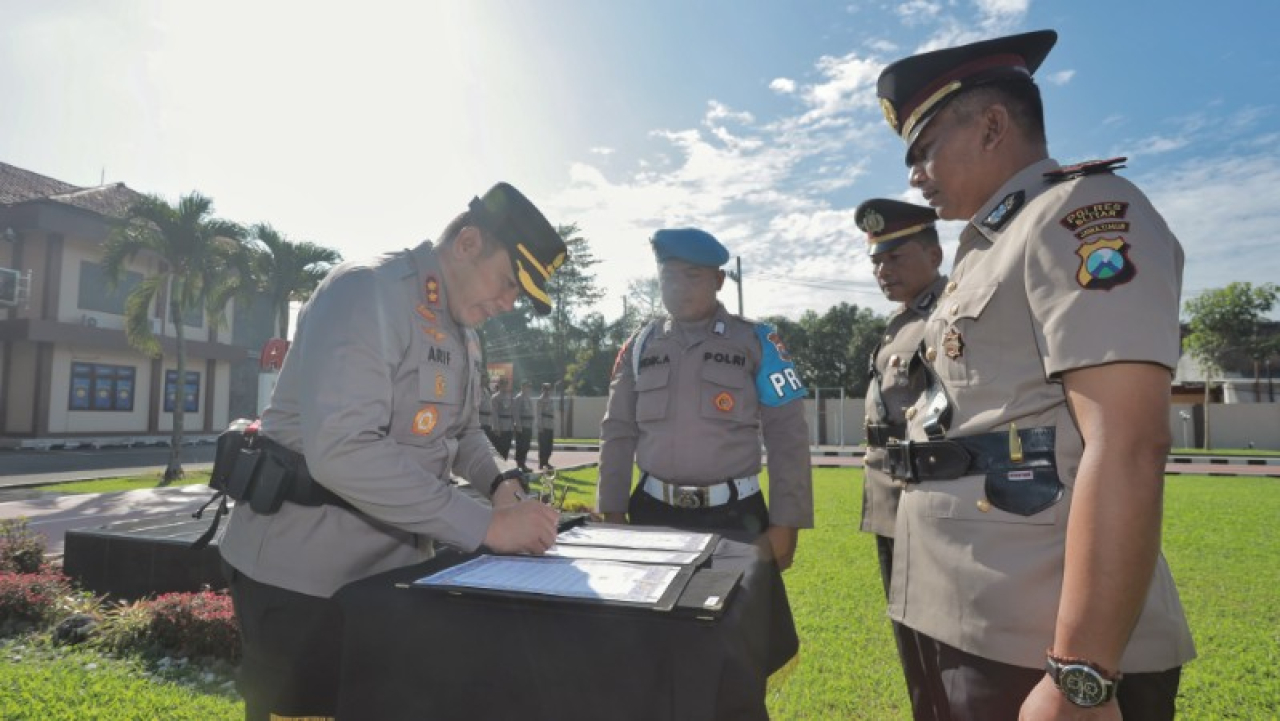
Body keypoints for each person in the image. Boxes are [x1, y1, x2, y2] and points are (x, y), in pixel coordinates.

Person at [874, 30, 1194, 718]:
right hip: (965, 611)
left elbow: (1130, 441)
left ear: (992, 126)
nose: (915, 175)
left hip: (1039, 637)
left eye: (925, 148)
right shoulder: (988, 247)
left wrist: (1084, 672)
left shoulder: (1078, 214)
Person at [218, 182, 567, 720]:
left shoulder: (464, 332)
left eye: (518, 296)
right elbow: (344, 450)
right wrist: (488, 527)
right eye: (507, 283)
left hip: (393, 577)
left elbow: (465, 432)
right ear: (468, 242)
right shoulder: (368, 292)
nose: (507, 304)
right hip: (305, 579)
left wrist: (501, 484)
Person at [596, 228, 813, 570]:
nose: (678, 288)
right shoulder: (640, 345)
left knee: (735, 621)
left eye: (692, 276)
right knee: (650, 624)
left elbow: (788, 436)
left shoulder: (757, 342)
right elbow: (618, 431)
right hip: (651, 517)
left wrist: (786, 524)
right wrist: (611, 510)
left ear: (719, 280)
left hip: (737, 520)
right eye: (668, 277)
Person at [855, 198, 946, 715]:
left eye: (894, 257)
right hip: (893, 502)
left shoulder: (948, 312)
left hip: (931, 503)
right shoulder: (901, 322)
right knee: (911, 640)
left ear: (934, 253)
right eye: (875, 261)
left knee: (941, 643)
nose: (881, 270)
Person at [490, 376, 514, 460]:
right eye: (503, 383)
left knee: (507, 448)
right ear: (499, 385)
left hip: (509, 426)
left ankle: (505, 463)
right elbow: (494, 414)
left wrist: (513, 425)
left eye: (506, 384)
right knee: (500, 449)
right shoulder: (495, 397)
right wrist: (496, 428)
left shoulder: (510, 396)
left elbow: (512, 412)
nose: (505, 386)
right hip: (501, 425)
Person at [513, 380, 535, 471]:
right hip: (521, 425)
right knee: (521, 446)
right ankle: (519, 464)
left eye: (529, 387)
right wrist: (518, 425)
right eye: (526, 387)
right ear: (522, 387)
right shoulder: (519, 398)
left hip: (528, 425)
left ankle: (523, 464)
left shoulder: (528, 398)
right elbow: (516, 413)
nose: (528, 389)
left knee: (526, 445)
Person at [536, 382, 556, 469]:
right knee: (543, 446)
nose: (547, 391)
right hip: (543, 425)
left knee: (549, 445)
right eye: (546, 389)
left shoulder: (551, 400)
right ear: (542, 389)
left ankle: (546, 462)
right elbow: (538, 414)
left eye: (549, 389)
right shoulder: (540, 400)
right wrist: (540, 426)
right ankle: (542, 463)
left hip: (550, 425)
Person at [478, 374, 496, 447]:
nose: (485, 380)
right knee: (481, 439)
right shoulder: (478, 389)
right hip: (480, 418)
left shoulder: (486, 390)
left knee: (486, 439)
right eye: (484, 379)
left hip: (488, 419)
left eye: (486, 379)